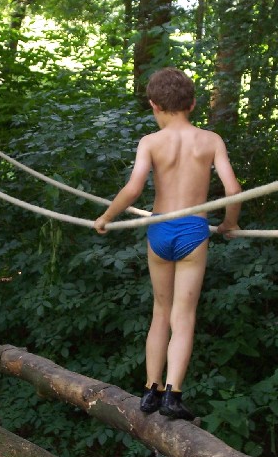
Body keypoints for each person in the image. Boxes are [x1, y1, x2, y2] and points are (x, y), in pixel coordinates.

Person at [94, 67, 242, 420]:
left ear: (154, 105)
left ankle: (151, 390)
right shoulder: (211, 140)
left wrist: (106, 217)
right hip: (193, 231)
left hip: (159, 230)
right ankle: (172, 396)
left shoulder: (150, 142)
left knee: (160, 311)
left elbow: (133, 189)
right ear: (192, 104)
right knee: (183, 315)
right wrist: (229, 224)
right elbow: (233, 189)